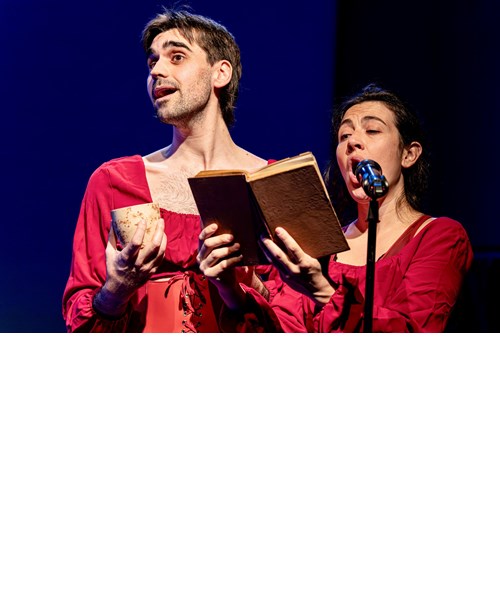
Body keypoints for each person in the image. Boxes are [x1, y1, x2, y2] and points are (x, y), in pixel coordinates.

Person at [198, 84, 474, 332]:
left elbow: (415, 334)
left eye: (372, 130)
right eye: (344, 135)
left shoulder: (438, 236)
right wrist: (233, 288)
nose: (352, 142)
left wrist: (321, 289)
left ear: (408, 154)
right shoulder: (323, 244)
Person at [62, 8, 270, 332]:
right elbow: (80, 315)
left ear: (220, 73)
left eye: (176, 57)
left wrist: (241, 288)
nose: (157, 71)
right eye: (152, 62)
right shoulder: (114, 182)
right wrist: (116, 290)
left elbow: (297, 318)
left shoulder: (269, 184)